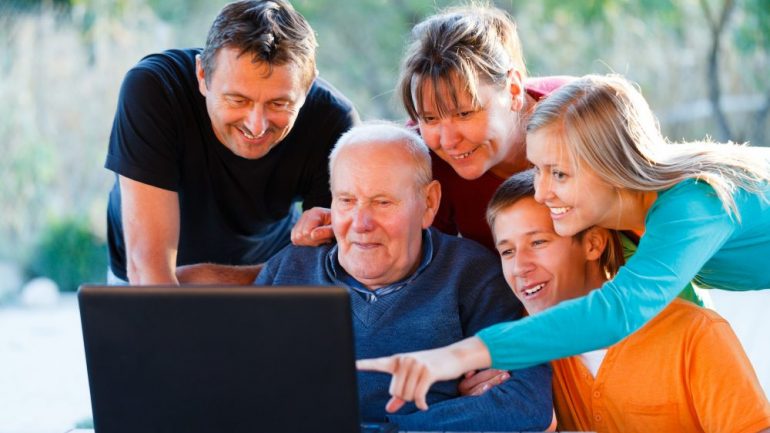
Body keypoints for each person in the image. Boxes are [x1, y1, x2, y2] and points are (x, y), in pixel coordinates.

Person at [357, 74, 770, 412]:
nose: (541, 193)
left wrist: (457, 355)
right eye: (537, 170)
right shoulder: (636, 223)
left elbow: (619, 311)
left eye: (559, 174)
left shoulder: (693, 204)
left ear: (610, 165)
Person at [255, 121, 553, 431]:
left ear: (429, 204)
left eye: (382, 202)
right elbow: (238, 382)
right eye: (346, 200)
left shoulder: (472, 275)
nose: (361, 223)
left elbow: (526, 401)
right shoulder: (288, 271)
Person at [486, 169, 770, 433]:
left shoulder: (695, 335)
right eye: (507, 252)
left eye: (538, 243)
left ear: (592, 244)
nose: (519, 267)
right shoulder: (528, 349)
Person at [105, 0, 358, 284]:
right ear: (202, 75)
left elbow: (324, 270)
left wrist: (210, 277)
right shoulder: (155, 90)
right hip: (143, 276)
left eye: (278, 103)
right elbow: (149, 273)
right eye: (238, 100)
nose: (256, 124)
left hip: (267, 279)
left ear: (308, 85)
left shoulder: (333, 121)